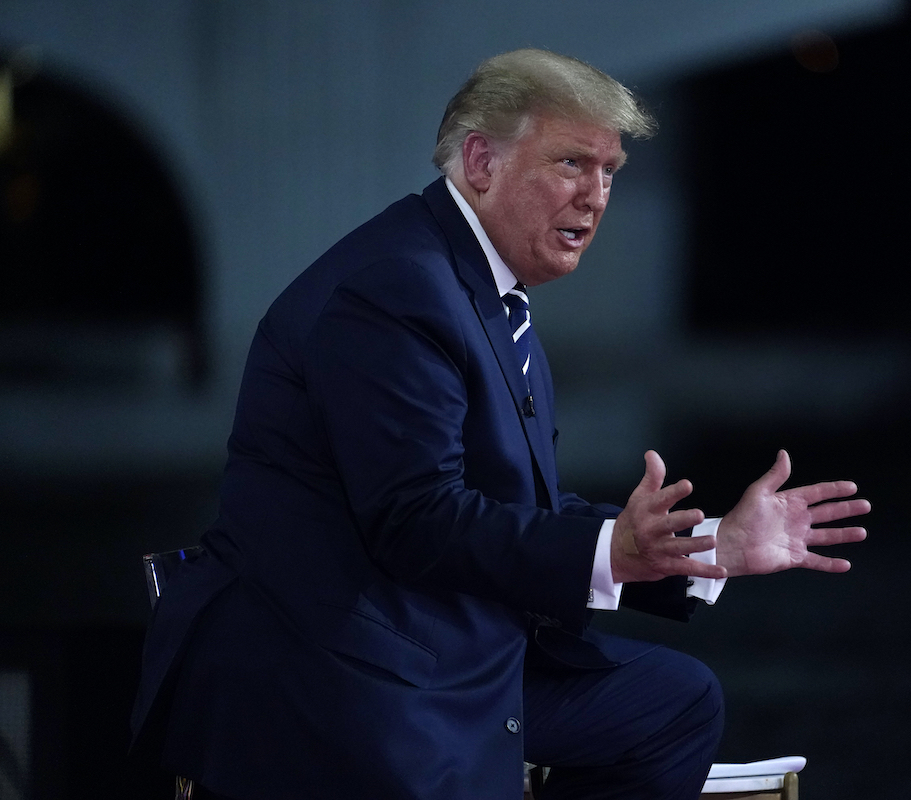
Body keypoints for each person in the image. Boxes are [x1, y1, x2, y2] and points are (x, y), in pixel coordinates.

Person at [131, 49, 870, 800]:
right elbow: (416, 520)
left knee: (671, 703)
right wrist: (613, 547)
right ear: (481, 161)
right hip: (341, 668)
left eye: (610, 171)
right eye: (572, 162)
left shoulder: (481, 292)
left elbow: (514, 514)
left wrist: (715, 546)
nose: (596, 196)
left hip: (434, 644)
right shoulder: (397, 291)